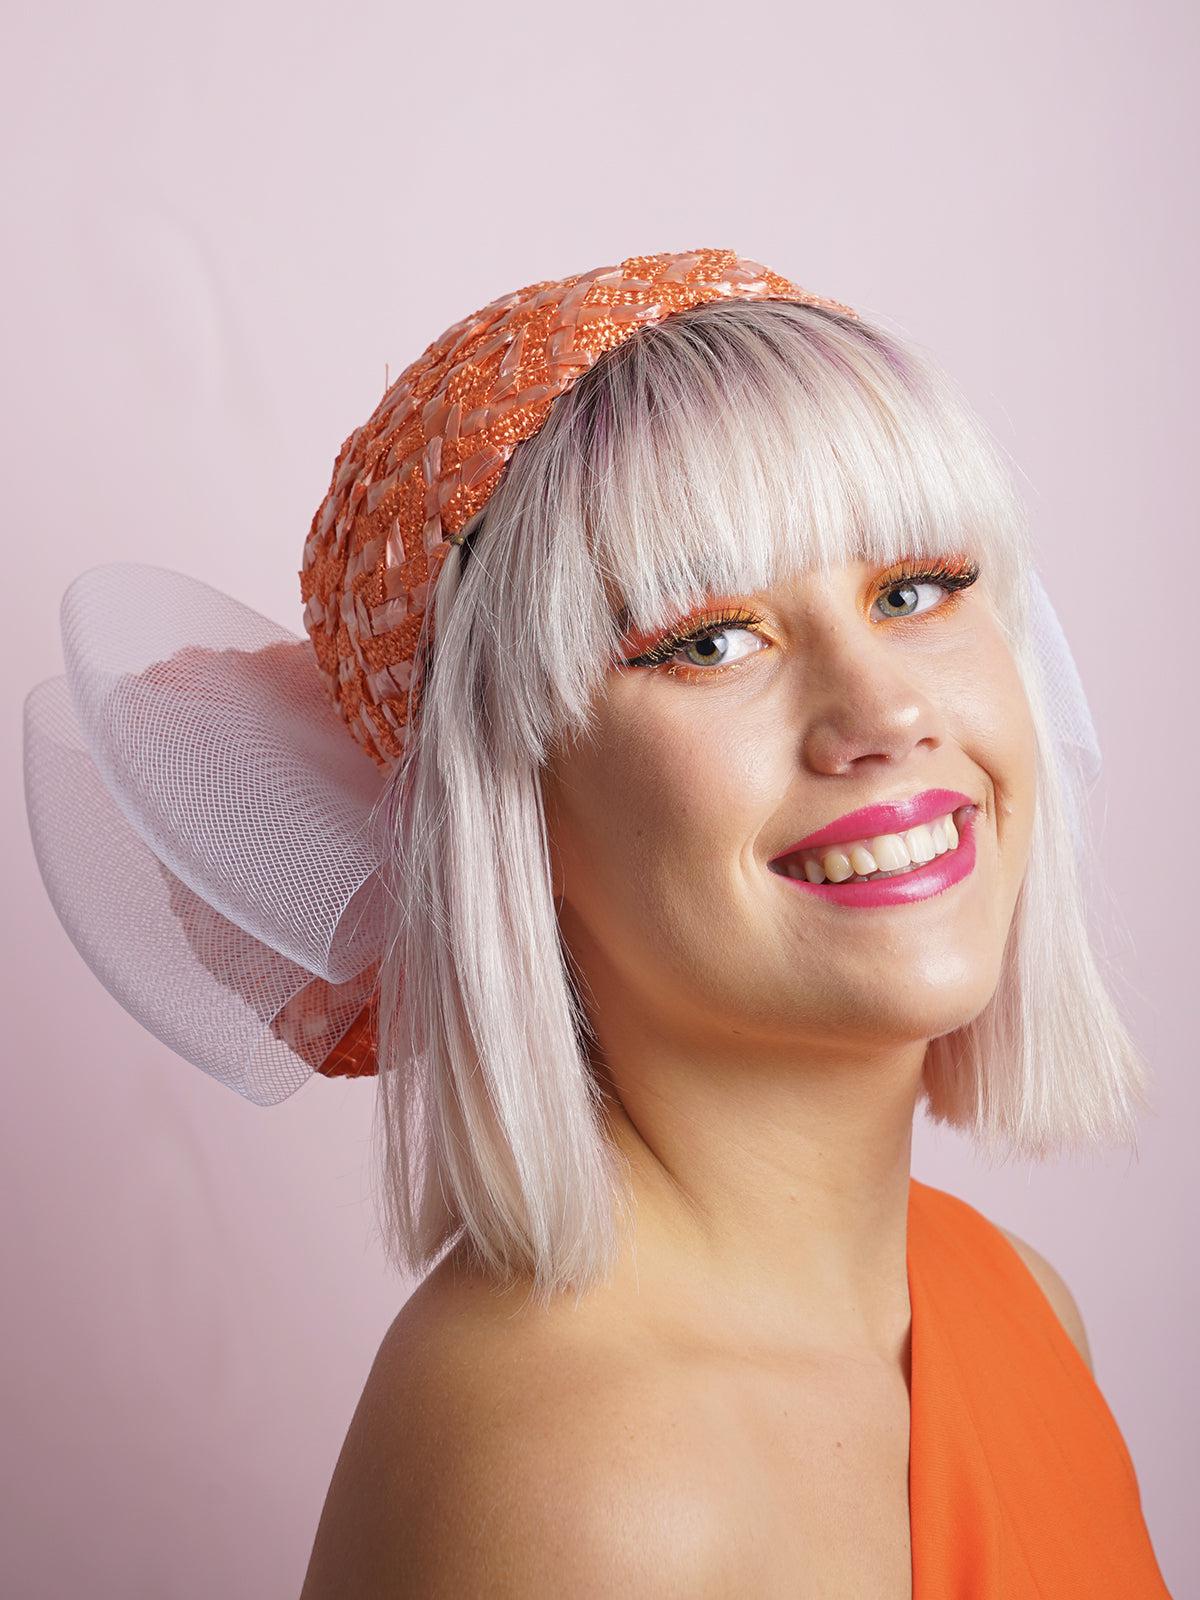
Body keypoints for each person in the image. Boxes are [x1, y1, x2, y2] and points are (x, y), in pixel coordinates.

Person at [23, 249, 1171, 1596]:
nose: (885, 716)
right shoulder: (577, 1478)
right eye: (708, 641)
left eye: (915, 590)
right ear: (508, 806)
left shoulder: (1015, 1300)